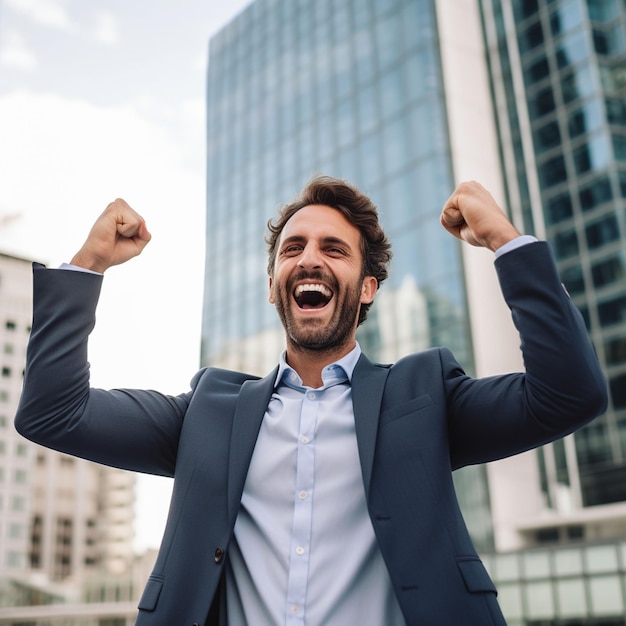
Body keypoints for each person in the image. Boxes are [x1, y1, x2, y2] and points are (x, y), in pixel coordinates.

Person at [15, 177, 607, 626]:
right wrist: (89, 263)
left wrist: (505, 241)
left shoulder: (424, 398)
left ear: (367, 288)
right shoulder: (209, 411)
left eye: (335, 249)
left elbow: (569, 394)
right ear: (276, 283)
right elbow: (53, 413)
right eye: (293, 248)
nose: (310, 258)